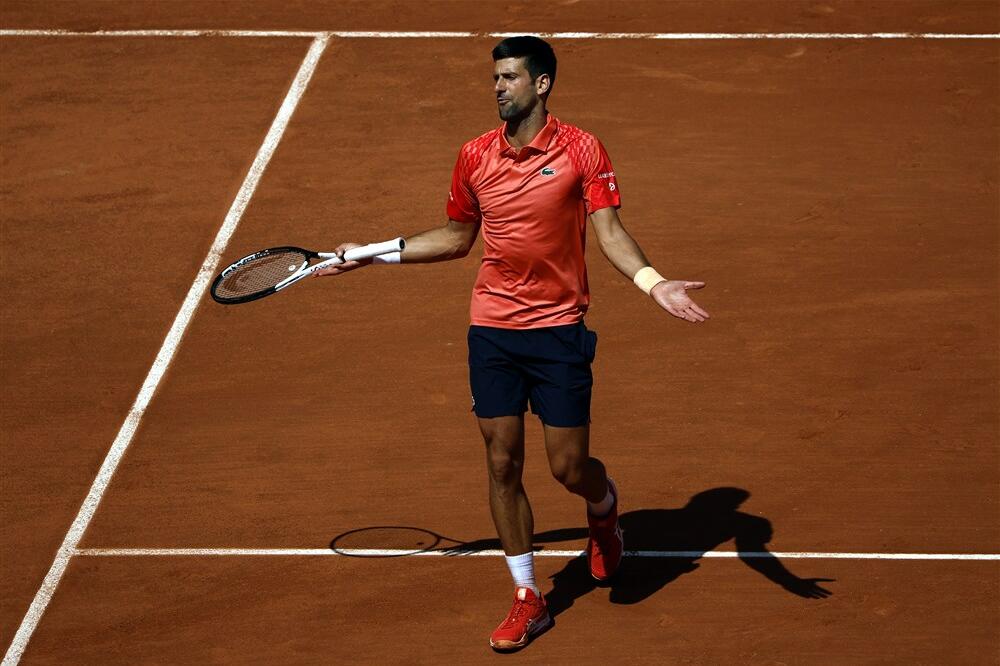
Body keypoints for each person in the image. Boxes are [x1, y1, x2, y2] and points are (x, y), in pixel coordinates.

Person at [316, 35, 709, 652]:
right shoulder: (474, 155)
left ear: (542, 84)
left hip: (557, 330)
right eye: (495, 78)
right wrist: (364, 255)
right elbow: (454, 238)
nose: (498, 87)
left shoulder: (582, 149)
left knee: (568, 467)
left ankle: (604, 511)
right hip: (493, 329)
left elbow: (608, 230)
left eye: (509, 78)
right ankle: (529, 595)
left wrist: (652, 284)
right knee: (502, 462)